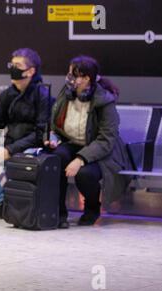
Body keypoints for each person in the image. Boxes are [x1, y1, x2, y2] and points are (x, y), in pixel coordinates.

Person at [45, 55, 132, 228]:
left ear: (86, 79)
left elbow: (106, 140)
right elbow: (52, 124)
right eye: (69, 74)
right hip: (72, 143)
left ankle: (92, 209)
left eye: (74, 76)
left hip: (102, 152)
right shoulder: (66, 93)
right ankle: (58, 213)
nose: (69, 79)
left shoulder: (104, 101)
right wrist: (51, 138)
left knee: (84, 174)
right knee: (57, 158)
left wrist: (80, 159)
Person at [0, 48, 53, 220]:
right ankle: (1, 201)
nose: (12, 68)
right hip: (8, 147)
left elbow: (40, 134)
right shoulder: (8, 94)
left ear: (31, 71)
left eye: (17, 65)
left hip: (32, 150)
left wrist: (10, 150)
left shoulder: (43, 94)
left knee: (26, 157)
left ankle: (20, 205)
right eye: (11, 64)